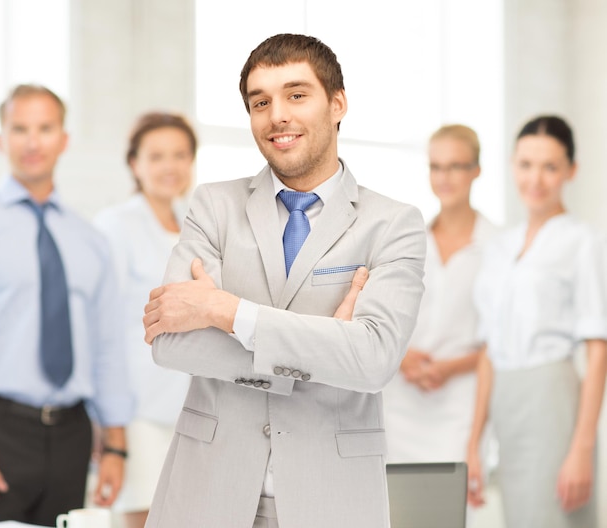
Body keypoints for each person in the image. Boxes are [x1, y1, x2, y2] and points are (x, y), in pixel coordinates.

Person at [141, 33, 426, 528]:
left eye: (297, 95)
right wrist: (326, 348)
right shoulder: (214, 206)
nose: (277, 115)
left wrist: (225, 312)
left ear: (337, 103)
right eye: (260, 102)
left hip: (331, 500)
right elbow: (170, 342)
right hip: (206, 493)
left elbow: (374, 359)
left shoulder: (393, 223)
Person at [0, 84, 133, 526]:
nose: (33, 141)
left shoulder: (90, 240)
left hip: (73, 436)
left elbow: (107, 346)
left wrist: (117, 448)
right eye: (20, 128)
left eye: (45, 128)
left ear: (63, 139)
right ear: (1, 140)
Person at [466, 115, 607, 527]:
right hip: (506, 405)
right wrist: (474, 443)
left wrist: (582, 448)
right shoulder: (499, 248)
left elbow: (598, 349)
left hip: (554, 403)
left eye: (550, 167)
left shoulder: (582, 241)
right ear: (512, 166)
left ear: (570, 171)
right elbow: (488, 350)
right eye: (526, 164)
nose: (536, 178)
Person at [94, 112, 197, 528]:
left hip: (195, 407)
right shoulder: (115, 226)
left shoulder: (196, 224)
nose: (169, 166)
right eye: (156, 156)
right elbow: (103, 328)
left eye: (179, 155)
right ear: (134, 163)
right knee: (145, 518)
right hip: (141, 411)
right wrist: (109, 426)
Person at [382, 125, 497, 469]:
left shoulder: (498, 246)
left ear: (476, 170)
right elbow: (381, 315)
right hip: (399, 400)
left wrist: (450, 367)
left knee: (452, 508)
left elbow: (499, 339)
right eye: (436, 167)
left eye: (456, 166)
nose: (444, 177)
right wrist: (401, 357)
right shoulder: (405, 238)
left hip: (460, 403)